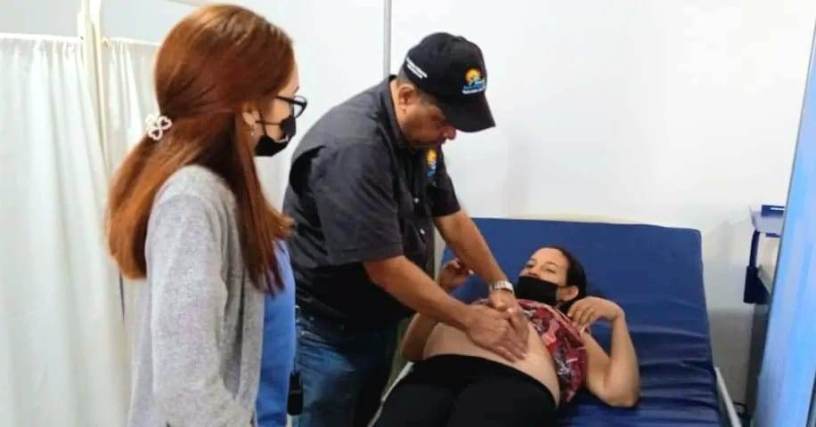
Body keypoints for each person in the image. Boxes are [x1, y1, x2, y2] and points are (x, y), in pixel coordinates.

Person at [283, 32, 529, 427]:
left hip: (380, 318)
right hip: (328, 329)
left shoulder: (420, 138)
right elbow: (385, 268)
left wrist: (499, 284)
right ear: (406, 95)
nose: (451, 134)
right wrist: (469, 320)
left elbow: (451, 216)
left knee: (364, 415)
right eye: (444, 120)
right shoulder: (354, 149)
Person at [105, 5, 305, 426]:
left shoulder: (225, 192)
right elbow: (186, 389)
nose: (290, 116)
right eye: (288, 101)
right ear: (249, 107)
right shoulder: (193, 199)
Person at [374, 246, 641, 427]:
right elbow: (412, 350)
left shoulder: (569, 325)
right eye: (530, 265)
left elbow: (620, 394)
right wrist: (442, 289)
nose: (533, 272)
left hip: (510, 384)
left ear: (569, 292)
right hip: (433, 375)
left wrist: (618, 319)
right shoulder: (481, 304)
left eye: (548, 270)